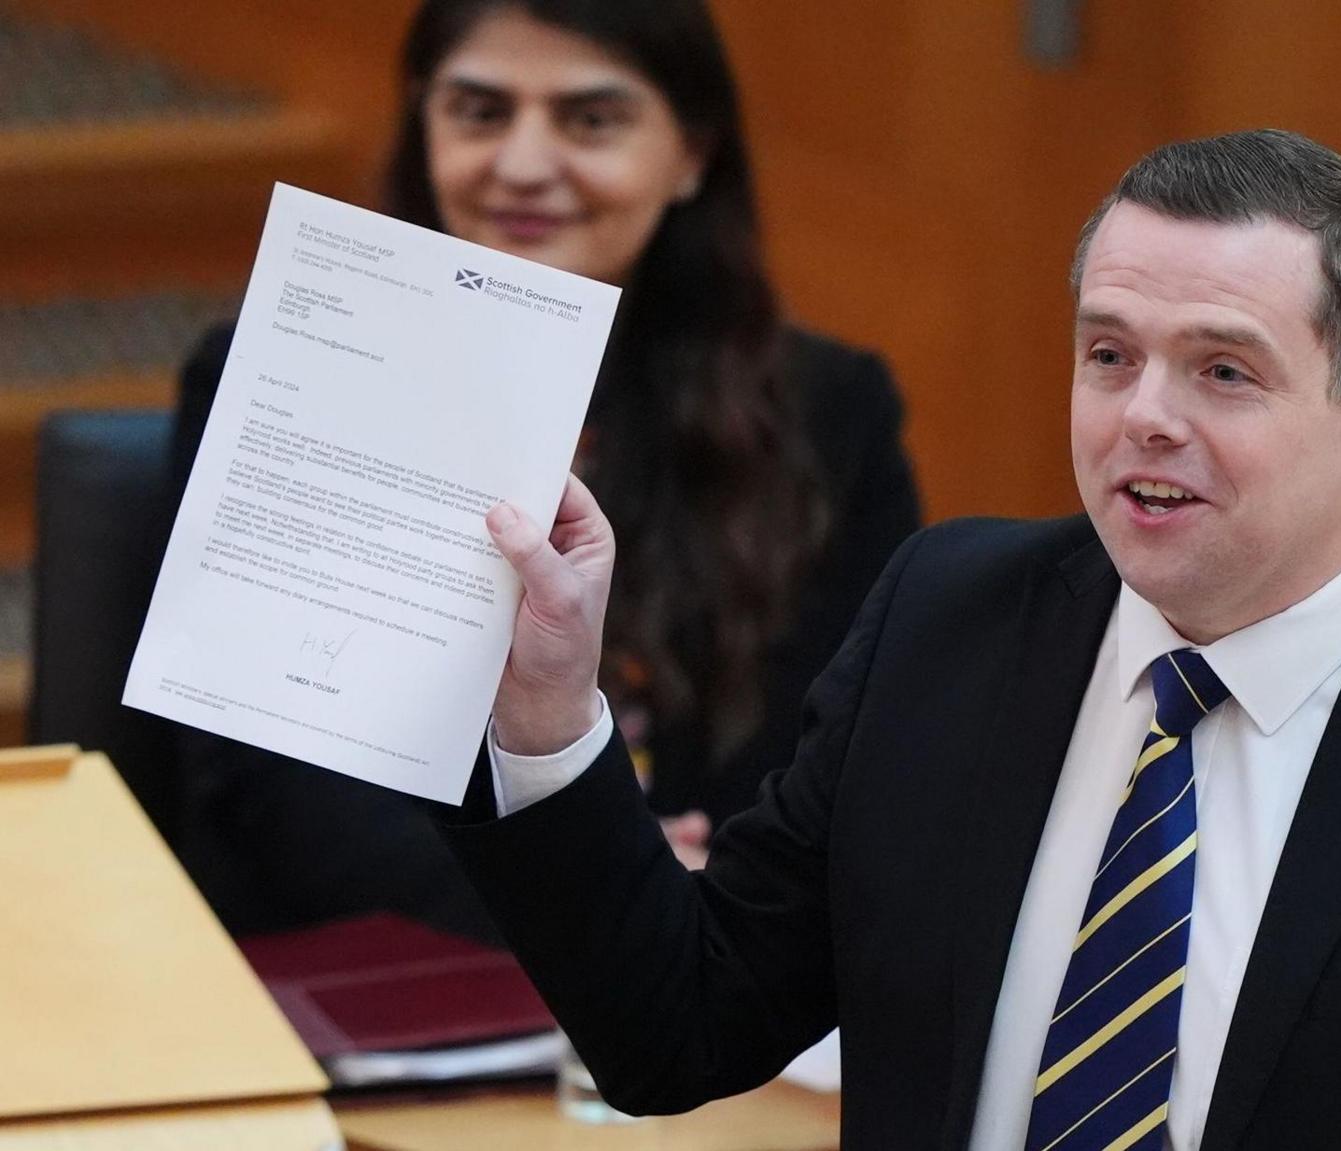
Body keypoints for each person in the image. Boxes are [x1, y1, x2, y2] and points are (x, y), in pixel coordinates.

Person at [451, 129, 1341, 1148]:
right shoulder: (944, 620)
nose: (1144, 416)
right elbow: (676, 1027)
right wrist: (550, 713)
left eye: (1223, 369)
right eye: (1108, 353)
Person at [166, 0, 919, 939]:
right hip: (371, 976)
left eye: (590, 120)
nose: (523, 165)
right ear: (423, 125)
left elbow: (837, 765)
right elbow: (270, 789)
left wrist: (685, 918)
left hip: (709, 990)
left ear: (690, 154)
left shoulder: (830, 411)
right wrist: (603, 898)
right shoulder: (283, 373)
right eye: (480, 112)